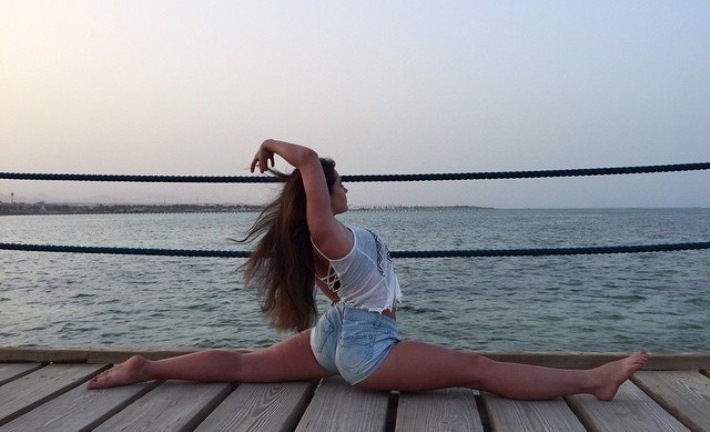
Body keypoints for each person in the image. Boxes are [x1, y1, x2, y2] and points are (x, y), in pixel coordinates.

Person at [88, 139, 648, 400]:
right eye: (340, 183)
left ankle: (149, 368)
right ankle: (592, 381)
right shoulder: (328, 236)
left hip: (334, 336)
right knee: (475, 369)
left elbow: (343, 282)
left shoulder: (316, 242)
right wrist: (271, 145)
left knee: (243, 363)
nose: (347, 187)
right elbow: (309, 159)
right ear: (323, 194)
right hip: (366, 347)